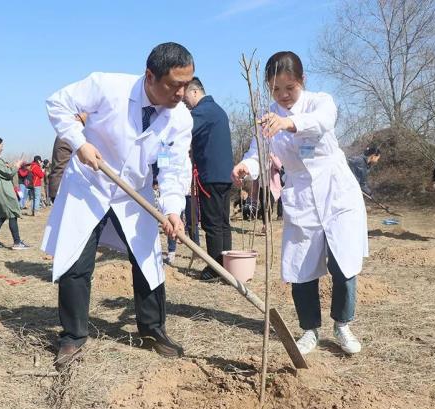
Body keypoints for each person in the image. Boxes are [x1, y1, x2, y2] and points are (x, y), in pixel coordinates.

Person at [43, 42, 194, 366]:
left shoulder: (179, 119)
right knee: (76, 262)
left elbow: (173, 166)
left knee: (147, 260)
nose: (181, 93)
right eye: (174, 85)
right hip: (89, 184)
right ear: (150, 77)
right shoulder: (107, 86)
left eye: (187, 85)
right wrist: (80, 143)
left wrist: (172, 210)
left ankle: (153, 329)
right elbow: (57, 103)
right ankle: (72, 337)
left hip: (133, 193)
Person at [231, 51, 368, 356]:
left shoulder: (321, 101)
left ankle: (342, 324)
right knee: (301, 267)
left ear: (302, 81)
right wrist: (247, 167)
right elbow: (258, 152)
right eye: (276, 90)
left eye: (289, 88)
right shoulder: (268, 115)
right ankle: (309, 329)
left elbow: (322, 122)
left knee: (343, 261)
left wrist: (288, 122)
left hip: (336, 193)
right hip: (302, 197)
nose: (283, 96)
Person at [183, 77, 234, 281]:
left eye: (185, 95)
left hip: (211, 176)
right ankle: (227, 266)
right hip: (224, 175)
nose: (183, 101)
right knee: (223, 223)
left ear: (194, 92)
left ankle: (214, 268)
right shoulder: (218, 110)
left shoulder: (202, 112)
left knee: (212, 224)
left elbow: (183, 131)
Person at [0, 136, 30, 250]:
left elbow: (4, 170)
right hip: (2, 191)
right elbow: (8, 173)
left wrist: (11, 165)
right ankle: (17, 242)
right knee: (12, 214)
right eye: (1, 146)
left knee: (2, 216)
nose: (2, 148)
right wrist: (17, 166)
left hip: (0, 190)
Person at [48, 113, 88, 204]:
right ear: (79, 116)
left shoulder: (65, 134)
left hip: (60, 185)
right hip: (64, 187)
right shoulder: (73, 134)